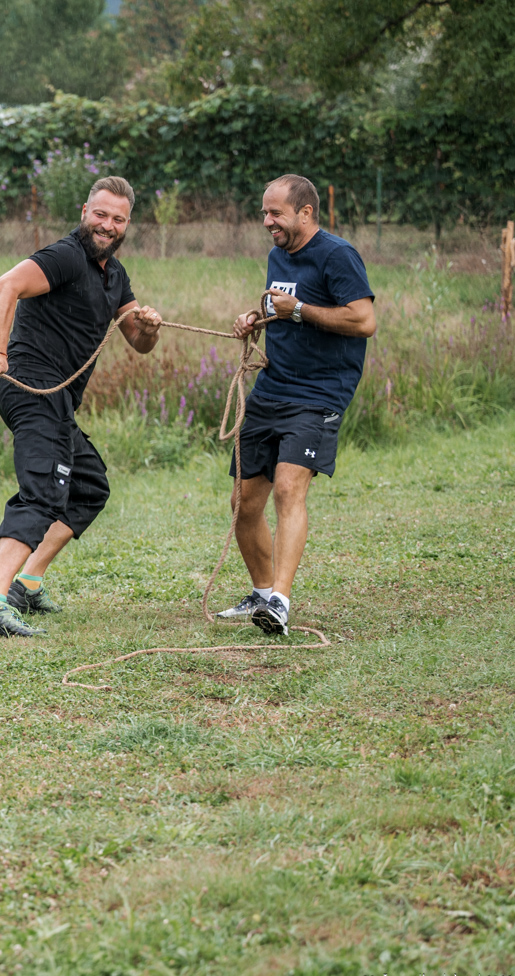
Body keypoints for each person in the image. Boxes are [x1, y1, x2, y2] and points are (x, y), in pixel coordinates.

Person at [0, 176, 163, 637]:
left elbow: (138, 341)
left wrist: (149, 328)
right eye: (101, 214)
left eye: (118, 219)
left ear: (127, 224)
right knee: (42, 492)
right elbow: (1, 288)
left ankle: (26, 584)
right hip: (32, 387)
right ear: (84, 212)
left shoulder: (115, 275)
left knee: (88, 486)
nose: (107, 225)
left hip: (57, 399)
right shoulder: (66, 256)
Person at [221, 174, 376, 635]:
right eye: (264, 213)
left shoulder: (337, 255)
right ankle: (261, 594)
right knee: (244, 502)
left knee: (289, 489)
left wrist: (301, 311)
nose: (267, 221)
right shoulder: (278, 255)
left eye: (276, 213)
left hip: (319, 393)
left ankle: (281, 604)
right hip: (272, 388)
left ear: (305, 212)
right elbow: (283, 309)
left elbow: (364, 320)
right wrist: (257, 317)